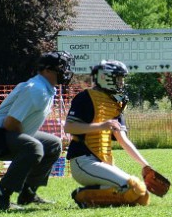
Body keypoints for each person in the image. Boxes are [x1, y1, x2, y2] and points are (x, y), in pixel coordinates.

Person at [0, 51, 75, 211]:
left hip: (5, 132)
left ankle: (27, 193)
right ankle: (1, 197)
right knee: (34, 147)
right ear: (47, 70)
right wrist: (27, 141)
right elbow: (10, 123)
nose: (65, 71)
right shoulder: (35, 89)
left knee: (53, 144)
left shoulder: (46, 88)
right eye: (61, 67)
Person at [64, 60, 153, 208]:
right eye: (118, 78)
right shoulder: (85, 97)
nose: (122, 83)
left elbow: (123, 140)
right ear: (105, 78)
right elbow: (69, 127)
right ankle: (84, 197)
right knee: (133, 187)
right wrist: (102, 125)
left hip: (103, 161)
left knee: (142, 195)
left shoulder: (115, 102)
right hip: (83, 161)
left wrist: (146, 165)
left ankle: (89, 193)